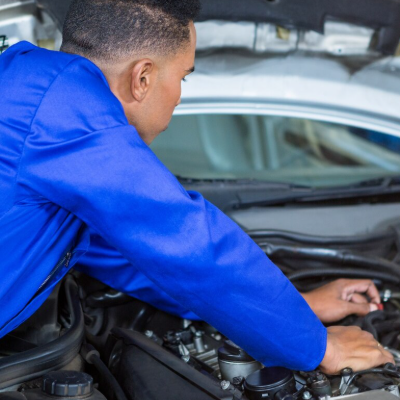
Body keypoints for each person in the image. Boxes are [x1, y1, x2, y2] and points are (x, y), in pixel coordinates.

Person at [0, 0, 393, 375]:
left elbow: (128, 254)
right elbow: (188, 242)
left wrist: (295, 311)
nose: (179, 95)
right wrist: (321, 348)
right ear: (142, 78)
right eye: (183, 77)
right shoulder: (67, 116)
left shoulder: (29, 81)